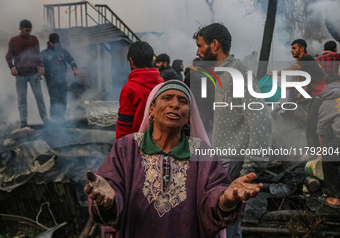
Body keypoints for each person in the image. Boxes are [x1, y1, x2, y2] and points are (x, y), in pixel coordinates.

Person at [84, 80, 263, 238]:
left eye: (182, 101)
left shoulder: (202, 153)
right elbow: (111, 187)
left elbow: (215, 191)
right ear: (151, 110)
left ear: (187, 119)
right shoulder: (126, 147)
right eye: (167, 98)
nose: (175, 104)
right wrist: (107, 199)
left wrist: (225, 198)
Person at [193, 23, 271, 238]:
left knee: (225, 223)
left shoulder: (237, 73)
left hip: (232, 161)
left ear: (214, 44)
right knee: (222, 220)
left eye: (200, 45)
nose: (198, 51)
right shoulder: (224, 73)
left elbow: (261, 118)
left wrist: (251, 166)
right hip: (223, 159)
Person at [116, 41, 163, 140]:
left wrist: (120, 149)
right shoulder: (162, 84)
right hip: (160, 142)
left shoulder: (129, 89)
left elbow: (124, 126)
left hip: (138, 145)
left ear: (131, 61)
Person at [5, 19, 48, 128]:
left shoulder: (34, 39)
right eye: (26, 30)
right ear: (20, 29)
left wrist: (41, 66)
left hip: (34, 73)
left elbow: (38, 54)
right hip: (20, 75)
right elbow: (9, 56)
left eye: (30, 30)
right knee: (22, 100)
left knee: (39, 97)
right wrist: (12, 67)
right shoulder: (14, 40)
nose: (28, 33)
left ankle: (45, 119)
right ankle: (24, 122)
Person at [41, 33, 80, 122]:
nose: (56, 45)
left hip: (62, 78)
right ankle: (54, 119)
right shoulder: (44, 53)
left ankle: (61, 118)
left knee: (63, 98)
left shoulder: (63, 51)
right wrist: (40, 69)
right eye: (54, 43)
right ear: (50, 42)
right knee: (55, 99)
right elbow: (39, 63)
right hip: (50, 79)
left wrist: (75, 69)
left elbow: (71, 60)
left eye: (57, 43)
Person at [317, 74, 340, 207]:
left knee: (330, 162)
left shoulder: (328, 101)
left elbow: (322, 129)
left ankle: (334, 198)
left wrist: (321, 150)